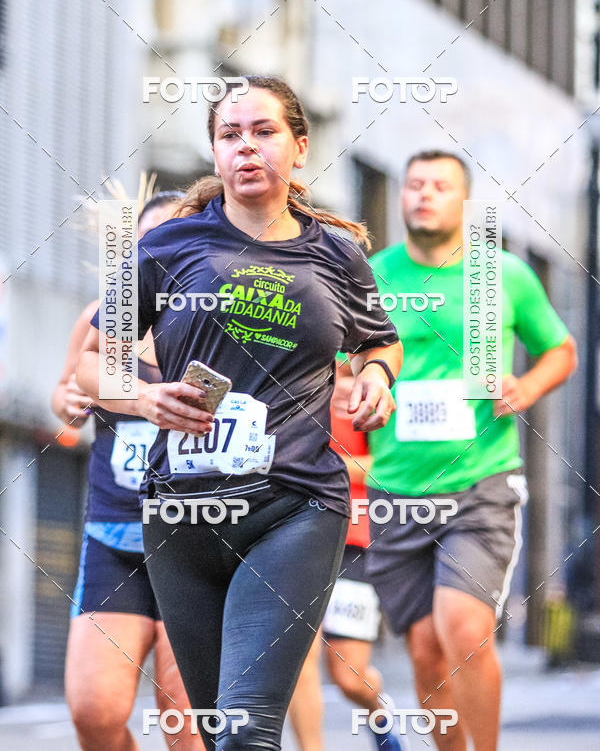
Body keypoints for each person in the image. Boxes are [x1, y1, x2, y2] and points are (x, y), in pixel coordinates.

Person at [76, 75, 403, 750]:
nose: (246, 148)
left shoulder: (337, 253)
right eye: (230, 136)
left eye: (263, 132)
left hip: (296, 505)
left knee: (245, 733)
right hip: (182, 515)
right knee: (219, 731)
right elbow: (91, 364)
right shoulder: (167, 248)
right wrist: (141, 397)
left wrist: (376, 376)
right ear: (215, 153)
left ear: (300, 147)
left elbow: (380, 341)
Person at [354, 149, 576, 750]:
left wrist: (525, 386)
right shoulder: (371, 274)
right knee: (426, 650)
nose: (424, 194)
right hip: (396, 485)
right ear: (401, 198)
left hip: (482, 481)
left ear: (465, 202)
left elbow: (560, 349)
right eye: (414, 185)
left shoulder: (501, 274)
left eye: (440, 186)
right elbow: (340, 361)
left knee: (464, 628)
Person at [53, 188, 204, 751]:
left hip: (200, 535)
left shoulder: (219, 322)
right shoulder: (102, 321)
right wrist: (67, 403)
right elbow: (64, 397)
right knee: (94, 710)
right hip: (115, 533)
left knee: (185, 721)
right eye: (149, 239)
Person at [288, 360, 408, 751]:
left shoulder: (376, 402)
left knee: (349, 676)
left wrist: (327, 467)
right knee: (297, 660)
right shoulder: (293, 395)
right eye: (333, 376)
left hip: (354, 539)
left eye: (349, 376)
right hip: (293, 533)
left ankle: (378, 711)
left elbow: (392, 468)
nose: (341, 386)